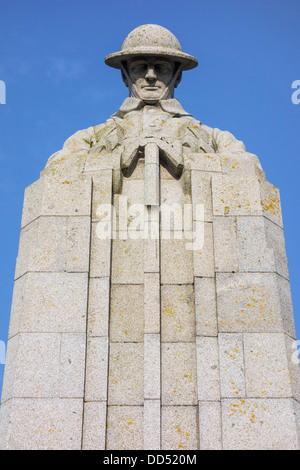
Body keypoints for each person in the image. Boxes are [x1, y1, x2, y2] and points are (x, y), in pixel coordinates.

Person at [48, 24, 261, 175]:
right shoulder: (88, 138)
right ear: (125, 75)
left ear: (177, 76)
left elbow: (246, 166)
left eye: (161, 67)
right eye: (140, 67)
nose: (151, 75)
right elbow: (60, 167)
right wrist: (123, 157)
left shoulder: (217, 138)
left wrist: (179, 157)